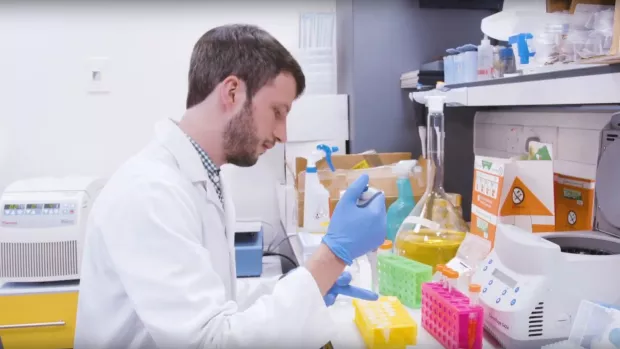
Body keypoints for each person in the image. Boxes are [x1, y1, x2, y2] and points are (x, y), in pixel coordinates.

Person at [73, 24, 387, 349]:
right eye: (277, 112)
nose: (283, 134)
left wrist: (306, 284)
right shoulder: (149, 193)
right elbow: (209, 341)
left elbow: (220, 299)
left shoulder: (210, 176)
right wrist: (331, 257)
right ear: (232, 92)